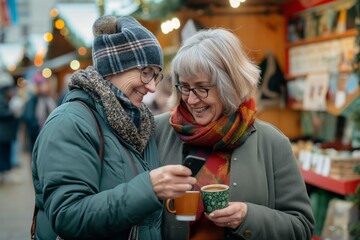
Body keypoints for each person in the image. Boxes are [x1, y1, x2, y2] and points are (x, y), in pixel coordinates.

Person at [31, 15, 195, 240]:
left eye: (156, 76)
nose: (151, 87)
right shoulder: (69, 122)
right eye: (145, 72)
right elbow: (68, 216)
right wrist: (149, 188)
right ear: (114, 67)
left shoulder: (140, 123)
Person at [154, 28, 315, 240]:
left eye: (202, 88)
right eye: (184, 87)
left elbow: (301, 227)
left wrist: (247, 217)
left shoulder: (272, 142)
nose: (191, 100)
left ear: (230, 85)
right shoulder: (157, 131)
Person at [21, 72, 57, 152]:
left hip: (49, 133)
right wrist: (36, 128)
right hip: (37, 134)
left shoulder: (49, 99)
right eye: (43, 85)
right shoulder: (33, 100)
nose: (46, 87)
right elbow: (29, 116)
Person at [0, 71, 20, 183]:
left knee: (5, 153)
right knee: (3, 154)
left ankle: (6, 173)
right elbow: (2, 112)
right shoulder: (2, 98)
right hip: (3, 133)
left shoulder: (5, 97)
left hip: (6, 133)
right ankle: (4, 173)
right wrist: (13, 113)